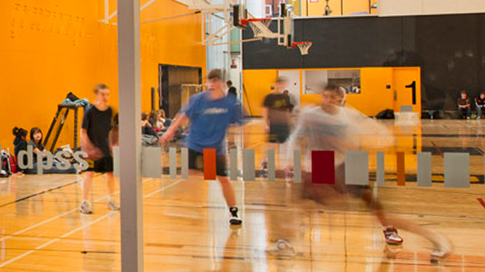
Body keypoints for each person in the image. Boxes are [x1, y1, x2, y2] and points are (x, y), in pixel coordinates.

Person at [273, 86, 452, 260]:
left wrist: (379, 142)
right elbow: (295, 138)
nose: (328, 101)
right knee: (304, 205)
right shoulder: (311, 115)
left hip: (345, 163)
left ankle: (433, 238)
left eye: (333, 98)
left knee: (374, 204)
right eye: (325, 97)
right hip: (321, 163)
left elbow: (378, 132)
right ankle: (285, 242)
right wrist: (289, 162)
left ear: (340, 100)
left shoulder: (348, 116)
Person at [160, 69, 247, 226]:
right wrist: (168, 132)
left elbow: (241, 123)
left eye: (215, 81)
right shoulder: (198, 100)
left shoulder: (230, 103)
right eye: (210, 81)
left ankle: (234, 212)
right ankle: (189, 207)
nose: (212, 84)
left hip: (215, 148)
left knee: (224, 180)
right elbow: (182, 117)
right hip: (195, 143)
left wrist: (243, 143)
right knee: (191, 175)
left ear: (222, 83)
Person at [78, 83, 118, 214]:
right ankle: (84, 202)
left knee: (111, 174)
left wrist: (112, 145)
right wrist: (87, 148)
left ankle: (111, 199)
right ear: (96, 95)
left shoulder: (110, 111)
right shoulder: (90, 111)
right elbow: (83, 131)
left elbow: (111, 130)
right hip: (91, 149)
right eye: (103, 94)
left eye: (107, 94)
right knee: (89, 174)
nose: (105, 97)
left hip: (105, 148)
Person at [261, 78, 295, 144]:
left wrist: (290, 123)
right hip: (274, 125)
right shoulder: (269, 97)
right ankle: (271, 154)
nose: (281, 86)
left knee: (284, 144)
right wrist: (266, 124)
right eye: (280, 84)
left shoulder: (286, 97)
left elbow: (287, 111)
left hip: (284, 125)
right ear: (276, 84)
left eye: (283, 84)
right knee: (271, 144)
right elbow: (265, 111)